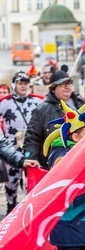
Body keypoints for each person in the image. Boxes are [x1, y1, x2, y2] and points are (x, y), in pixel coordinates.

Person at [42, 100, 85, 250]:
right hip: (71, 231)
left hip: (84, 228)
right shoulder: (63, 159)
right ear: (76, 137)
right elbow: (64, 198)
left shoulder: (82, 154)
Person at [23, 66, 85, 170]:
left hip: (81, 160)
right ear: (53, 89)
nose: (67, 87)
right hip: (53, 164)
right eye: (62, 85)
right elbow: (32, 137)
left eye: (69, 83)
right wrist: (31, 159)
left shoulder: (81, 103)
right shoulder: (42, 110)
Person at [0, 71, 42, 214]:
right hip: (11, 148)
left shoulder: (37, 101)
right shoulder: (5, 102)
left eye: (25, 83)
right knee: (11, 180)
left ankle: (27, 208)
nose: (23, 86)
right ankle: (11, 206)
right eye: (20, 83)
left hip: (31, 146)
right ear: (14, 84)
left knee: (31, 178)